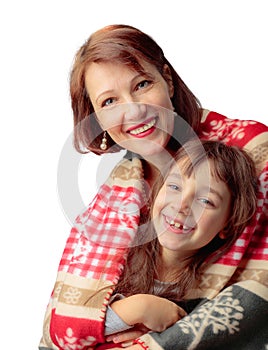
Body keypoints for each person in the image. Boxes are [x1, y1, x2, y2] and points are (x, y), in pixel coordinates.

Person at [39, 24, 268, 350]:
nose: (133, 110)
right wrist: (132, 311)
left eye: (142, 84)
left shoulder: (252, 149)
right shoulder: (111, 206)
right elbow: (55, 332)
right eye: (109, 102)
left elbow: (258, 290)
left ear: (168, 80)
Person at [103, 140, 258, 345]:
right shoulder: (117, 252)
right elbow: (68, 322)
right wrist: (138, 309)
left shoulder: (216, 291)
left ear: (227, 225)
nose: (182, 204)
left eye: (206, 201)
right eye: (175, 186)